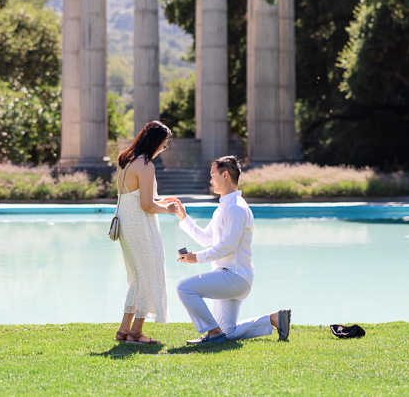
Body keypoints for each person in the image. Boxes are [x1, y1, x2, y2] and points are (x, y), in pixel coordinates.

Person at [173, 155, 291, 345]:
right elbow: (206, 238)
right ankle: (275, 319)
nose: (210, 180)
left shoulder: (236, 208)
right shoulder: (224, 207)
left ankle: (212, 333)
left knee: (184, 288)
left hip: (234, 277)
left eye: (213, 175)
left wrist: (197, 258)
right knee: (228, 333)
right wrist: (184, 218)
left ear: (225, 175)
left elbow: (228, 246)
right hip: (229, 277)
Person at [113, 120, 180, 345]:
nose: (164, 148)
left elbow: (137, 198)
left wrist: (161, 201)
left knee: (137, 278)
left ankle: (124, 331)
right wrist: (168, 209)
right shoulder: (146, 164)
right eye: (163, 143)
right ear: (155, 142)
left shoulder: (126, 160)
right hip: (141, 225)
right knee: (150, 276)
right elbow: (146, 206)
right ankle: (136, 333)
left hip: (126, 224)